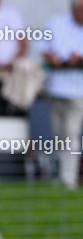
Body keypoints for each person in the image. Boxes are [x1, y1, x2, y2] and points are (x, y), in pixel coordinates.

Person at [41, 0, 83, 190]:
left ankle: (69, 179)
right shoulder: (56, 22)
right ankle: (59, 175)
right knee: (59, 134)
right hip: (56, 86)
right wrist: (52, 57)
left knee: (72, 133)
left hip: (78, 89)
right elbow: (42, 46)